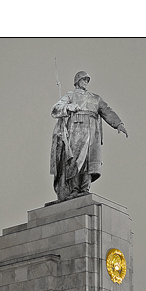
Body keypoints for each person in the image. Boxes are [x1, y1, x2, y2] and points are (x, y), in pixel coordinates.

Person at [50, 71, 128, 200]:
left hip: (93, 131)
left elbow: (107, 111)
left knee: (89, 161)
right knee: (75, 160)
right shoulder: (70, 95)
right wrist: (68, 107)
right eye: (83, 79)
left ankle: (84, 188)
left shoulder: (95, 98)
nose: (86, 81)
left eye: (87, 79)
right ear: (77, 81)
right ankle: (74, 189)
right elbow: (55, 109)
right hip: (76, 129)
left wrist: (118, 124)